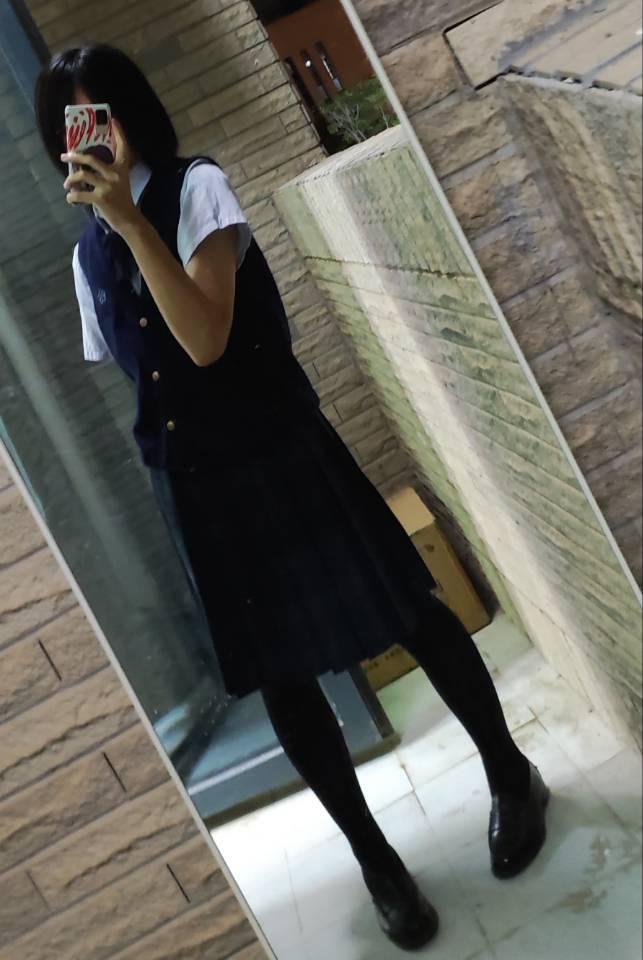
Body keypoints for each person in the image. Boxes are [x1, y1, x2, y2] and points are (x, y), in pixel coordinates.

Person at [36, 44, 550, 952]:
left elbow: (203, 339)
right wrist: (111, 232)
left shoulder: (197, 189)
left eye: (100, 116)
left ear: (133, 112)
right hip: (195, 486)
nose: (92, 139)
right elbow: (139, 371)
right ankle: (376, 861)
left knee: (406, 610)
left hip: (279, 451)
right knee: (281, 677)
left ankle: (512, 775)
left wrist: (132, 224)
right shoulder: (86, 259)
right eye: (73, 127)